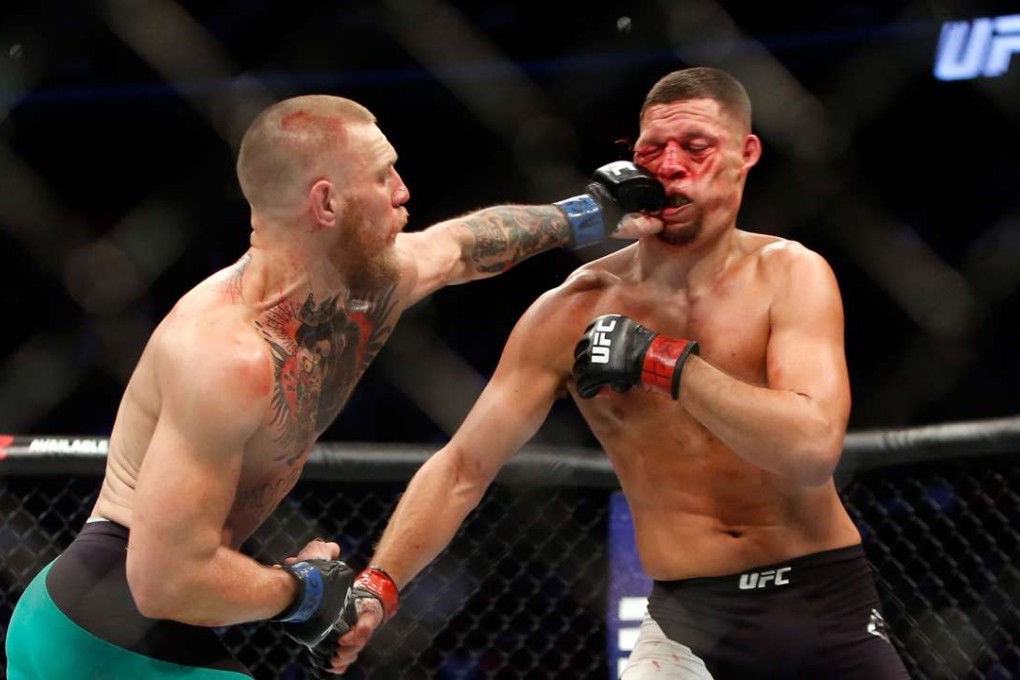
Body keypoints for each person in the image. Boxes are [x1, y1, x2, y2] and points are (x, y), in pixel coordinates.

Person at [4, 94, 664, 679]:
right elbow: (163, 579)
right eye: (384, 176)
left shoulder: (372, 287)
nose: (405, 190)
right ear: (326, 202)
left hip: (104, 617)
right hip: (102, 622)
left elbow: (465, 245)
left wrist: (590, 212)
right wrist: (304, 594)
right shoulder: (223, 353)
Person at [331, 68, 911, 678]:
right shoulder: (574, 309)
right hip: (687, 621)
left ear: (746, 154)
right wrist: (378, 585)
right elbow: (461, 468)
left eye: (695, 146)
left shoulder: (789, 275)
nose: (671, 166)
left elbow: (812, 448)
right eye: (651, 151)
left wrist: (665, 363)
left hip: (823, 601)